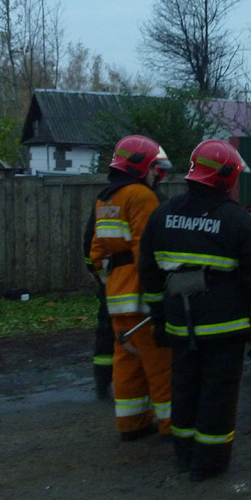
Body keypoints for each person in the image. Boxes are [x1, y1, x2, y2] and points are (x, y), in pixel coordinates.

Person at [139, 139, 251, 481]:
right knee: (218, 394)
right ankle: (209, 463)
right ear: (226, 177)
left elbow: (149, 273)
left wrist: (159, 319)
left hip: (179, 325)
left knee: (184, 389)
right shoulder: (238, 221)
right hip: (225, 329)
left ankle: (184, 455)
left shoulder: (162, 214)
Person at [88, 135, 174, 441]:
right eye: (152, 168)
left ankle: (131, 423)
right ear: (138, 167)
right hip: (141, 297)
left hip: (116, 297)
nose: (155, 174)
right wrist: (160, 291)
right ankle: (172, 426)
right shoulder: (141, 196)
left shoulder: (105, 199)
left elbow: (97, 253)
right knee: (161, 363)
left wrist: (111, 283)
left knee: (127, 361)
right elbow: (147, 251)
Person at [83, 210, 114, 400]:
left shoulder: (103, 202)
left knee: (106, 329)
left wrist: (92, 269)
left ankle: (102, 382)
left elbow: (89, 238)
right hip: (135, 279)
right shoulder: (152, 199)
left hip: (108, 277)